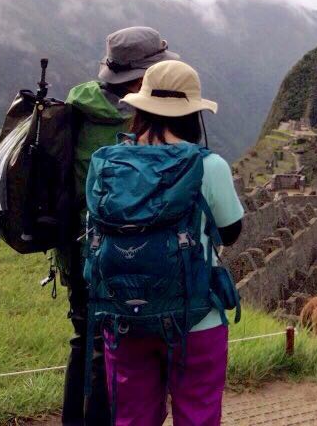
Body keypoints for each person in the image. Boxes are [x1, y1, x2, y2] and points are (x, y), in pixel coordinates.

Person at [98, 59, 243, 425]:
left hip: (126, 317)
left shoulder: (108, 166)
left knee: (132, 419)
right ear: (193, 114)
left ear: (141, 108)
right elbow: (231, 232)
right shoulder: (209, 167)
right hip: (196, 319)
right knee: (198, 416)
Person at [60, 26, 179, 425]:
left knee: (84, 340)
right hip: (116, 254)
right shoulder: (129, 120)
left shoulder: (77, 107)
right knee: (111, 347)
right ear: (143, 75)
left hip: (73, 245)